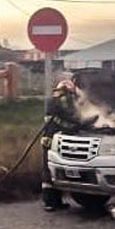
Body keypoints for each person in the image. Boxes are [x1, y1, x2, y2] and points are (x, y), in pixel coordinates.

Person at [41, 79, 78, 211]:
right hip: (54, 140)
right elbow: (67, 121)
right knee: (51, 172)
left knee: (51, 170)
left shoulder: (53, 100)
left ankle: (54, 202)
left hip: (50, 138)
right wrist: (78, 126)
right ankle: (50, 202)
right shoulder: (62, 102)